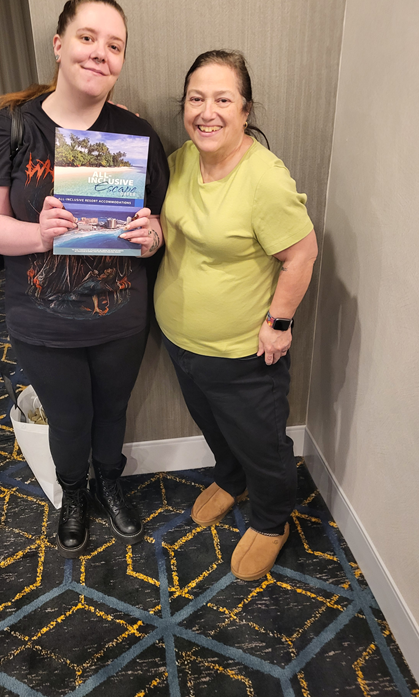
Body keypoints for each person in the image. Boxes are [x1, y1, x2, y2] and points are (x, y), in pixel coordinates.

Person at [0, 0, 168, 558]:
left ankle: (109, 483)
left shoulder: (134, 134)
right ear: (59, 45)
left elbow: (161, 219)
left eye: (114, 45)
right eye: (87, 38)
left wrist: (153, 235)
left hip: (121, 314)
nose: (100, 53)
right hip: (42, 320)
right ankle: (73, 492)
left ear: (121, 60)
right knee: (70, 418)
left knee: (113, 412)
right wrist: (40, 235)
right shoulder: (10, 127)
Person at [154, 50, 318, 581]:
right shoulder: (181, 160)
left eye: (223, 100)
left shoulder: (264, 178)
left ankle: (271, 521)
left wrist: (279, 324)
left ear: (245, 111)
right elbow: (169, 228)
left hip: (242, 351)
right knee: (213, 423)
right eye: (196, 99)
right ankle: (231, 478)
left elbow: (302, 255)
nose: (208, 112)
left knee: (261, 442)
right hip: (180, 339)